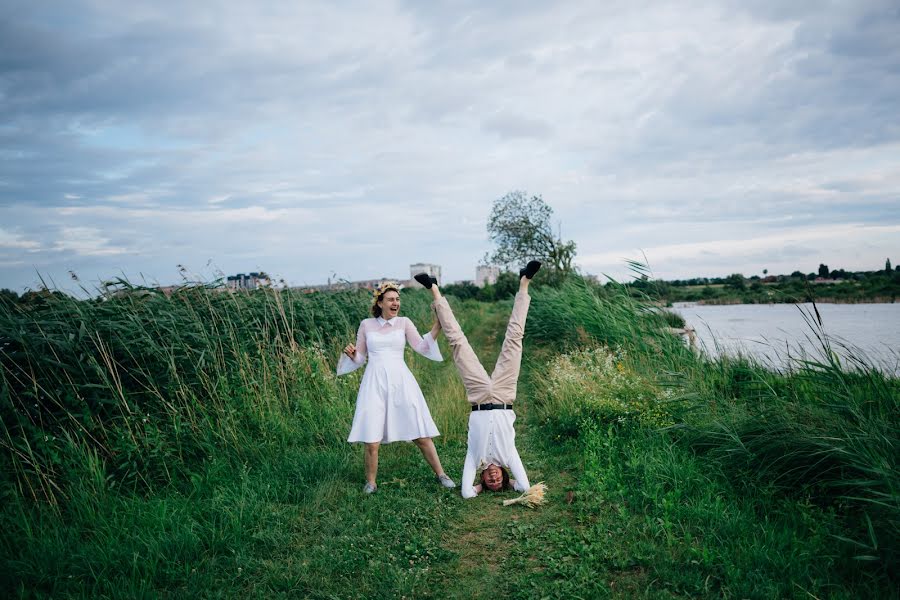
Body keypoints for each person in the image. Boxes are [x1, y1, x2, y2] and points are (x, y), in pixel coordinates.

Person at [415, 260, 541, 499]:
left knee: (457, 343)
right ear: (503, 475)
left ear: (482, 477)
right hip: (504, 394)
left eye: (489, 482)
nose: (493, 478)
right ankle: (525, 283)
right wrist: (508, 484)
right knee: (514, 339)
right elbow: (525, 487)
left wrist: (482, 487)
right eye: (497, 481)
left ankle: (434, 289)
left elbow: (467, 493)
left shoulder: (475, 458)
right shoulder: (509, 455)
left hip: (479, 396)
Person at [337, 281, 456, 494]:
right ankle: (371, 483)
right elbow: (360, 358)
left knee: (420, 434)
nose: (396, 303)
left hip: (401, 381)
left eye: (398, 299)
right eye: (391, 299)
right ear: (380, 302)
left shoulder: (404, 323)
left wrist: (437, 325)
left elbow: (421, 346)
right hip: (374, 383)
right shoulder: (366, 325)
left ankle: (441, 474)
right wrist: (352, 355)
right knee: (371, 438)